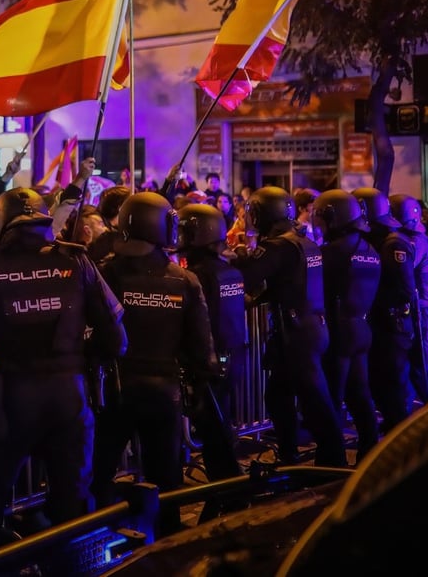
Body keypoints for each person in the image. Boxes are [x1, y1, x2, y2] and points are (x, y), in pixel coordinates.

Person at [0, 187, 127, 538]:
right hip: (69, 399)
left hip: (13, 401)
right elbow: (117, 339)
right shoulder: (76, 259)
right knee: (73, 505)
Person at [94, 193, 220, 527]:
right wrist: (201, 386)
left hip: (117, 391)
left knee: (100, 472)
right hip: (164, 393)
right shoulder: (185, 280)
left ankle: (99, 539)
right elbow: (201, 346)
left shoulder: (105, 273)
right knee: (166, 478)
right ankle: (167, 544)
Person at [232, 187, 346, 466]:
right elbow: (289, 283)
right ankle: (294, 455)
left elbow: (248, 275)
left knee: (313, 399)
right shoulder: (301, 241)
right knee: (282, 395)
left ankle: (332, 460)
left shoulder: (277, 246)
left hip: (295, 331)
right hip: (310, 327)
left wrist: (241, 255)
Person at [175, 203, 245, 480]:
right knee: (220, 428)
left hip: (208, 364)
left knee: (215, 434)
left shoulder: (198, 275)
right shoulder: (229, 271)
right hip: (231, 358)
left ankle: (227, 492)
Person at [313, 189, 381, 460]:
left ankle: (332, 460)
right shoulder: (370, 249)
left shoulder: (331, 252)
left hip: (338, 331)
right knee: (360, 397)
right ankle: (369, 452)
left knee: (332, 398)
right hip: (362, 329)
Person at [355, 187, 419, 431]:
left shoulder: (393, 243)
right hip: (383, 325)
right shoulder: (382, 239)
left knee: (391, 387)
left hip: (393, 325)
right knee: (381, 386)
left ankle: (401, 443)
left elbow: (404, 289)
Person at [389, 194, 428, 405]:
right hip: (425, 311)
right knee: (414, 368)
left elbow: (403, 273)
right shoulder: (420, 239)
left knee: (422, 369)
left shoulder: (413, 242)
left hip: (422, 313)